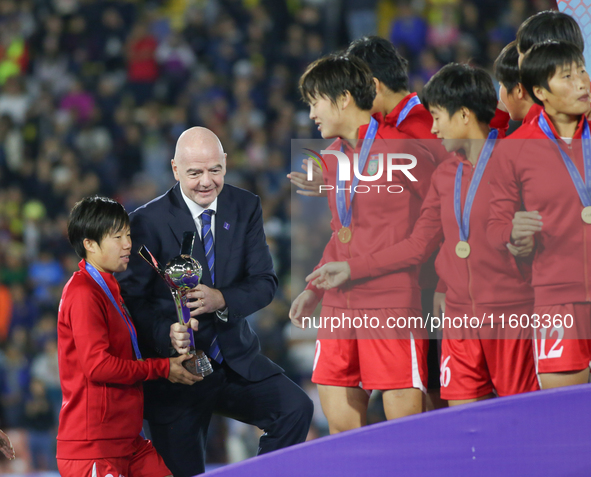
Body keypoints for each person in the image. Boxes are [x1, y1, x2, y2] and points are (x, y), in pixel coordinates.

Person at [307, 63, 539, 405]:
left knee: (523, 423)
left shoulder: (518, 160)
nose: (432, 128)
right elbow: (422, 244)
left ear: (462, 116)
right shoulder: (445, 174)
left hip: (509, 313)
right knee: (463, 430)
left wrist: (526, 241)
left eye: (437, 117)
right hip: (459, 321)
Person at [118, 127, 313, 477]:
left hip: (234, 361)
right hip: (177, 374)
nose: (206, 182)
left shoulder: (245, 206)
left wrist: (221, 298)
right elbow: (131, 301)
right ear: (176, 169)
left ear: (225, 163)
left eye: (215, 170)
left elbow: (264, 283)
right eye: (195, 173)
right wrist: (168, 334)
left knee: (296, 409)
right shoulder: (146, 222)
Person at [289, 54, 435, 433]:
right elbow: (343, 234)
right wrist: (313, 289)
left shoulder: (405, 150)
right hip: (339, 302)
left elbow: (433, 229)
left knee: (406, 434)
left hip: (389, 300)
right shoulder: (333, 157)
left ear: (343, 98)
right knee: (341, 432)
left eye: (314, 101)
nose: (311, 114)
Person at [57, 196, 199, 477]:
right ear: (90, 244)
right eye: (117, 236)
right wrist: (162, 368)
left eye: (128, 235)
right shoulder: (84, 293)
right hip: (94, 448)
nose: (127, 244)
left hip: (128, 441)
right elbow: (98, 366)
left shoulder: (110, 290)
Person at [488, 40, 591, 390]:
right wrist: (514, 235)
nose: (581, 82)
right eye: (567, 75)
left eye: (582, 71)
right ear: (540, 91)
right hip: (556, 297)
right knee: (564, 417)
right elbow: (495, 226)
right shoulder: (513, 151)